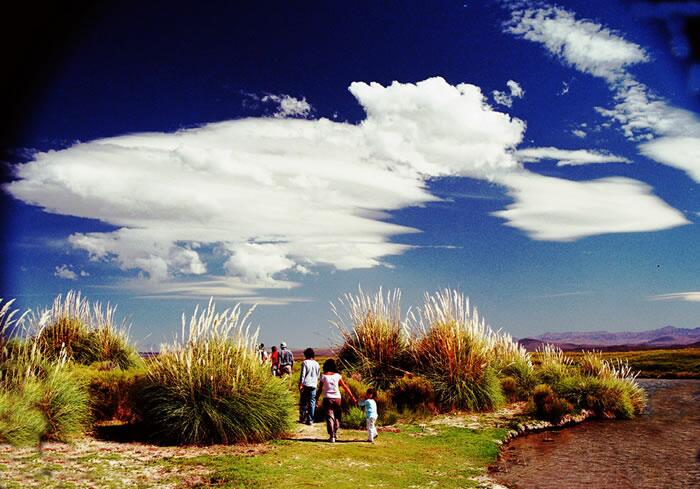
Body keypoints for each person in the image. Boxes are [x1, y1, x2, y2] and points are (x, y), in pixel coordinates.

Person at [319, 358, 357, 443]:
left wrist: (316, 398)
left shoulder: (323, 376)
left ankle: (332, 436)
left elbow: (319, 389)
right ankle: (335, 433)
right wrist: (352, 397)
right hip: (337, 398)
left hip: (327, 398)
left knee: (329, 417)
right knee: (337, 416)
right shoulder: (337, 376)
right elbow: (345, 387)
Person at [298, 348, 320, 425]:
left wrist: (301, 384)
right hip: (313, 385)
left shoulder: (305, 362)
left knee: (303, 402)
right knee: (312, 402)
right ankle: (311, 419)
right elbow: (318, 376)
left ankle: (303, 418)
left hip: (306, 384)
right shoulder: (317, 364)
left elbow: (303, 375)